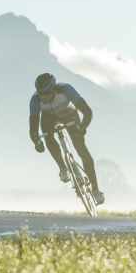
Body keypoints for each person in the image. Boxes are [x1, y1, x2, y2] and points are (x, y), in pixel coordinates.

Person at [28, 72, 105, 205]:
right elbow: (33, 127)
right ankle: (63, 169)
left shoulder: (65, 89)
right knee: (47, 137)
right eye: (41, 94)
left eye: (46, 94)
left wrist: (83, 127)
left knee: (82, 150)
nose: (43, 97)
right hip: (48, 118)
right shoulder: (35, 100)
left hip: (69, 114)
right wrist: (37, 141)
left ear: (53, 89)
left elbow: (87, 111)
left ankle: (95, 190)